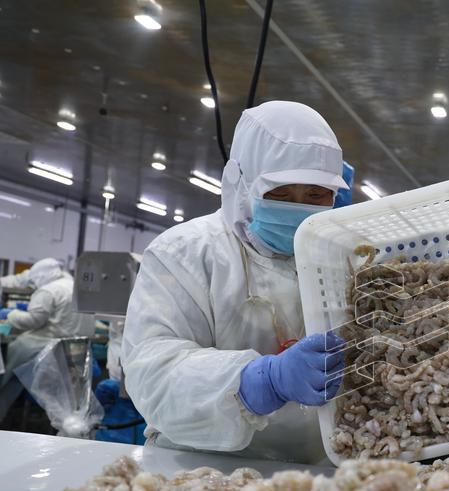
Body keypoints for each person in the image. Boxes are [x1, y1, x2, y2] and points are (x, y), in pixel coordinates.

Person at [122, 101, 348, 463]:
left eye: (315, 195)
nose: (298, 207)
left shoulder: (339, 258)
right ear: (240, 184)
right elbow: (152, 373)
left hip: (314, 471)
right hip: (201, 468)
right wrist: (259, 382)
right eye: (280, 194)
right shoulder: (187, 253)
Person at [0, 258, 96, 420]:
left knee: (13, 364)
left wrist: (11, 314)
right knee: (69, 400)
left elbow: (33, 321)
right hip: (75, 348)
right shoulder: (77, 287)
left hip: (48, 346)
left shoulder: (48, 291)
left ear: (40, 276)